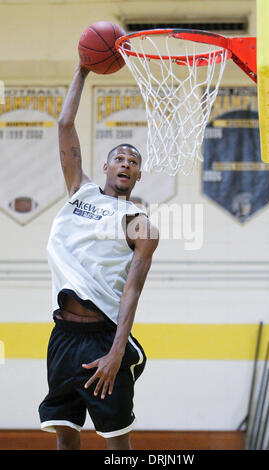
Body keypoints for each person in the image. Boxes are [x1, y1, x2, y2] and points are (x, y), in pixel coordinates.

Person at [38, 62, 159, 451]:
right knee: (65, 436)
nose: (126, 163)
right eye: (120, 158)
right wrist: (82, 69)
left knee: (116, 445)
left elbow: (132, 293)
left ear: (138, 176)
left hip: (104, 339)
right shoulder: (80, 191)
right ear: (105, 167)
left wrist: (117, 352)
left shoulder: (141, 225)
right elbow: (63, 125)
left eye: (133, 162)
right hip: (62, 335)